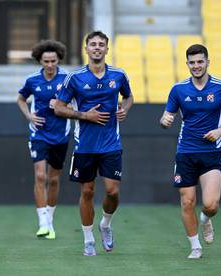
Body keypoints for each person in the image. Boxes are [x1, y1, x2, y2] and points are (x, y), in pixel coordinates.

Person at [54, 31, 133, 256]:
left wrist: (124, 109)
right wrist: (84, 115)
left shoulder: (118, 75)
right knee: (87, 191)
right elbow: (58, 107)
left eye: (101, 45)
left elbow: (128, 97)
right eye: (93, 44)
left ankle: (105, 224)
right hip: (85, 146)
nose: (97, 48)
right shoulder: (74, 77)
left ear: (107, 49)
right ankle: (88, 239)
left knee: (112, 191)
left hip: (111, 144)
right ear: (86, 48)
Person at [160, 44, 221, 259]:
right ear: (187, 64)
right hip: (185, 151)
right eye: (192, 62)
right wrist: (165, 121)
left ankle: (205, 220)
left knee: (211, 205)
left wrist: (220, 130)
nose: (196, 66)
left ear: (207, 62)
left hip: (211, 152)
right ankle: (195, 247)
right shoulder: (178, 89)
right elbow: (166, 117)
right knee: (187, 202)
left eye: (200, 61)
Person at [16, 40, 70, 240]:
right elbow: (21, 99)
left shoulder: (68, 79)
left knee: (54, 179)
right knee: (40, 176)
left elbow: (76, 104)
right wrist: (29, 116)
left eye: (53, 61)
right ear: (39, 61)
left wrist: (62, 106)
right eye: (46, 61)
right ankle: (42, 222)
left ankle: (50, 220)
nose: (49, 65)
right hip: (38, 133)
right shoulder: (32, 80)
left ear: (58, 60)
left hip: (61, 134)